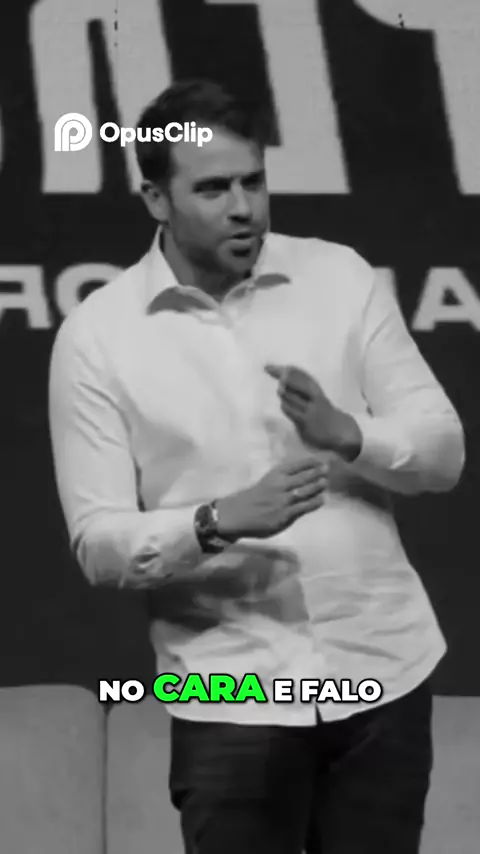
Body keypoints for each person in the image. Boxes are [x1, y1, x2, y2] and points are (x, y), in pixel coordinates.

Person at [48, 79, 465, 854]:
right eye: (213, 189)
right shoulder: (97, 338)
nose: (243, 207)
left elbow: (443, 453)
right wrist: (216, 522)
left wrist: (350, 434)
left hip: (382, 670)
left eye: (253, 181)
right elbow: (97, 543)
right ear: (156, 199)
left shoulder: (339, 277)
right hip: (230, 693)